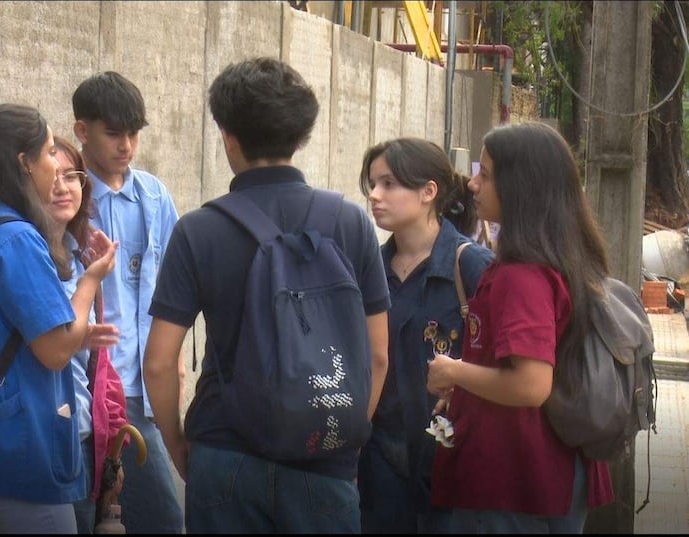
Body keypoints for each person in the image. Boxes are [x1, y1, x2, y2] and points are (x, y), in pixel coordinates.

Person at [143, 57, 391, 534]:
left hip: (224, 450)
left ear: (227, 136)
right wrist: (346, 436)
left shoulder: (199, 230)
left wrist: (179, 446)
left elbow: (158, 362)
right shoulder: (351, 223)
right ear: (300, 138)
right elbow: (377, 355)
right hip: (324, 453)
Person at [0, 103, 117, 533]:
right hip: (15, 451)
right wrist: (90, 280)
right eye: (50, 153)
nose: (56, 165)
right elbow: (55, 351)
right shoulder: (17, 239)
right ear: (23, 164)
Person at [426, 121, 614, 533]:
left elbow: (531, 385)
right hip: (538, 475)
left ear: (521, 187)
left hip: (516, 482)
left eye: (487, 175)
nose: (473, 184)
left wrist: (453, 371)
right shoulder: (557, 258)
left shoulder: (523, 275)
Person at [356, 138, 494, 534]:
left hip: (450, 452)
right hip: (379, 455)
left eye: (388, 183)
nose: (375, 196)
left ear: (428, 191)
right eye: (372, 184)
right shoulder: (369, 269)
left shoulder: (469, 266)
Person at [71, 71, 184, 533]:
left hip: (141, 387)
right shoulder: (67, 198)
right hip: (84, 385)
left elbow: (176, 286)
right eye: (113, 133)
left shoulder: (154, 195)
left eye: (134, 134)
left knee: (161, 519)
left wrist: (172, 361)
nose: (126, 146)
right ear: (82, 131)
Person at [46, 135, 128, 533]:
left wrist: (112, 439)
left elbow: (98, 368)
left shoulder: (81, 259)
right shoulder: (25, 256)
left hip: (80, 438)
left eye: (73, 175)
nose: (63, 186)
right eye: (52, 175)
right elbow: (51, 348)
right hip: (44, 442)